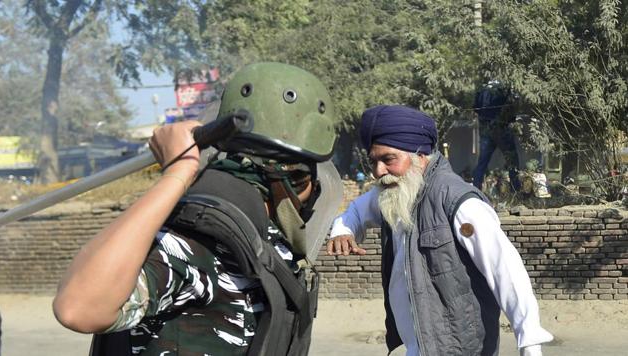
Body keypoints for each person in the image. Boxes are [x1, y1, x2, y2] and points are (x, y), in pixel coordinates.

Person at [53, 62, 339, 356]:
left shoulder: (258, 241)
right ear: (293, 179)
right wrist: (177, 173)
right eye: (308, 181)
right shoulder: (197, 244)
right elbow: (78, 308)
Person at [326, 105, 553, 356]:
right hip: (418, 348)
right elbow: (356, 210)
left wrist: (530, 343)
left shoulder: (457, 200)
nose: (379, 171)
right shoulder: (395, 192)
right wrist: (343, 230)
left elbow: (505, 269)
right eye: (374, 161)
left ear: (419, 156)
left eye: (388, 159)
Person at [472, 80, 521, 191]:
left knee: (482, 163)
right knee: (512, 161)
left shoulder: (482, 89)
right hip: (502, 129)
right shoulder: (504, 88)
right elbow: (511, 107)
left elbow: (476, 109)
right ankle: (516, 191)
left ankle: (475, 189)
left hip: (486, 131)